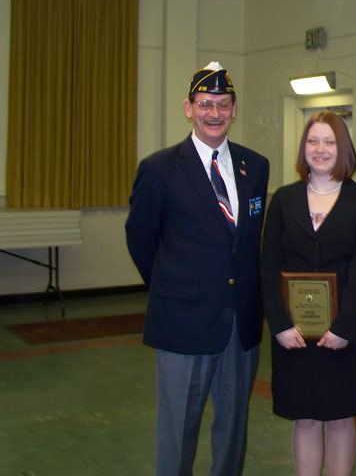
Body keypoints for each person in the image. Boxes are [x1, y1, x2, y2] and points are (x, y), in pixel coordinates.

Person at [125, 61, 269, 476]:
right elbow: (140, 238)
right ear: (188, 108)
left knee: (233, 432)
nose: (214, 113)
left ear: (234, 108)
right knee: (177, 433)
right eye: (205, 104)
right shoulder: (159, 169)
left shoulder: (254, 166)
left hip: (240, 324)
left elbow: (248, 240)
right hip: (182, 322)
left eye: (223, 104)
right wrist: (173, 289)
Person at [260, 111, 356, 476]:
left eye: (329, 141)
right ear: (304, 148)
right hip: (294, 334)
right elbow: (269, 266)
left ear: (342, 148)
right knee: (306, 419)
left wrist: (344, 328)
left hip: (344, 334)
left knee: (342, 419)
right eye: (313, 141)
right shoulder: (283, 200)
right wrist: (279, 324)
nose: (320, 149)